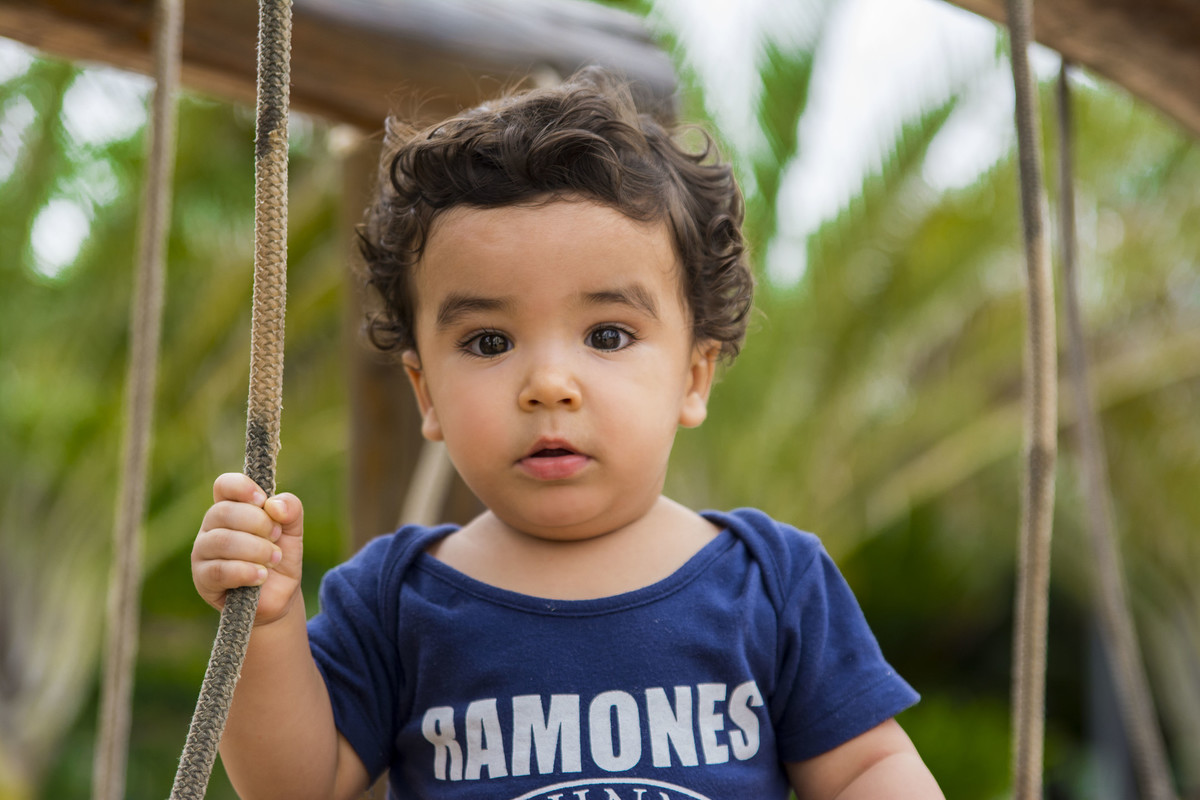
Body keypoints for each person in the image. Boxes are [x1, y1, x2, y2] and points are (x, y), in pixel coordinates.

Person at [192, 68, 943, 800]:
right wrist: (266, 627)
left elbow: (864, 769)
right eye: (489, 342)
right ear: (427, 394)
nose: (549, 383)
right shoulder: (394, 601)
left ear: (693, 376)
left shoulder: (773, 582)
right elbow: (296, 785)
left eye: (608, 335)